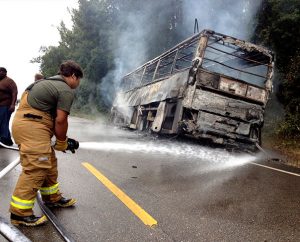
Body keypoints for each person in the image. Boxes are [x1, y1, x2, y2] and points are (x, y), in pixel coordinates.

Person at [9, 60, 83, 226]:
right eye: (78, 80)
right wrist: (62, 142)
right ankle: (19, 214)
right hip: (33, 127)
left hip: (28, 125)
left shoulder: (45, 82)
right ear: (73, 76)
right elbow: (61, 120)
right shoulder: (65, 89)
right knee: (36, 167)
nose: (77, 84)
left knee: (48, 163)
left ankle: (52, 198)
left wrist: (60, 141)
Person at [0, 67, 18, 146]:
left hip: (6, 105)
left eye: (0, 71)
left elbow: (14, 92)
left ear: (4, 72)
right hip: (0, 106)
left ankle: (5, 139)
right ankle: (7, 139)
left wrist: (13, 104)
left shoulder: (9, 81)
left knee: (4, 122)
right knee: (1, 122)